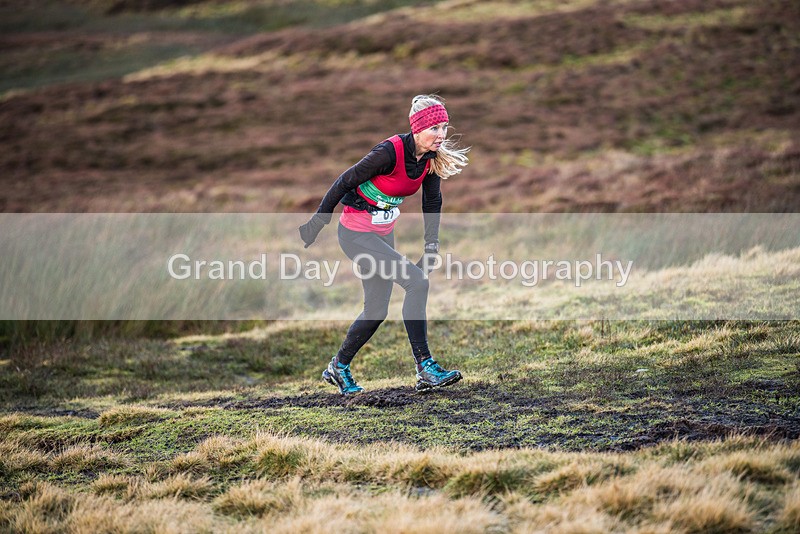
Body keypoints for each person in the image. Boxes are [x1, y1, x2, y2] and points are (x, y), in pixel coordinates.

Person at [298, 94, 470, 395]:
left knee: (376, 309)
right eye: (435, 129)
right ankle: (425, 368)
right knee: (417, 283)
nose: (441, 135)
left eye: (445, 127)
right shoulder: (389, 152)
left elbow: (432, 200)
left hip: (381, 233)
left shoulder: (429, 160)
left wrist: (431, 246)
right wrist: (318, 221)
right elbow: (344, 181)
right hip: (355, 234)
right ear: (417, 128)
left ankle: (338, 367)